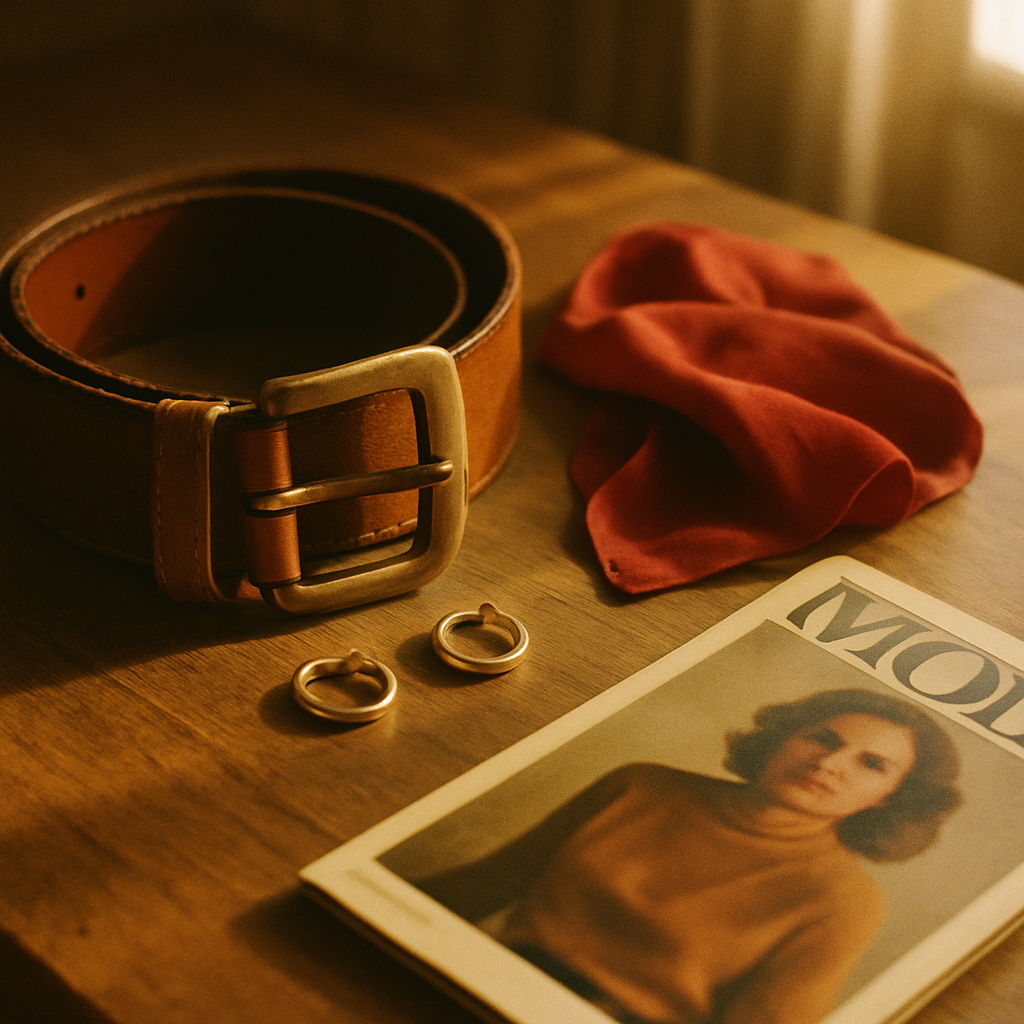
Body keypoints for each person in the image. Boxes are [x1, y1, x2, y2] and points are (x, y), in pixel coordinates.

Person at [416, 688, 962, 1024]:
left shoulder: (846, 901)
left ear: (890, 798)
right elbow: (486, 882)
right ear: (782, 738)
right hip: (474, 978)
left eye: (872, 764)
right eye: (822, 738)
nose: (832, 763)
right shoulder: (641, 786)